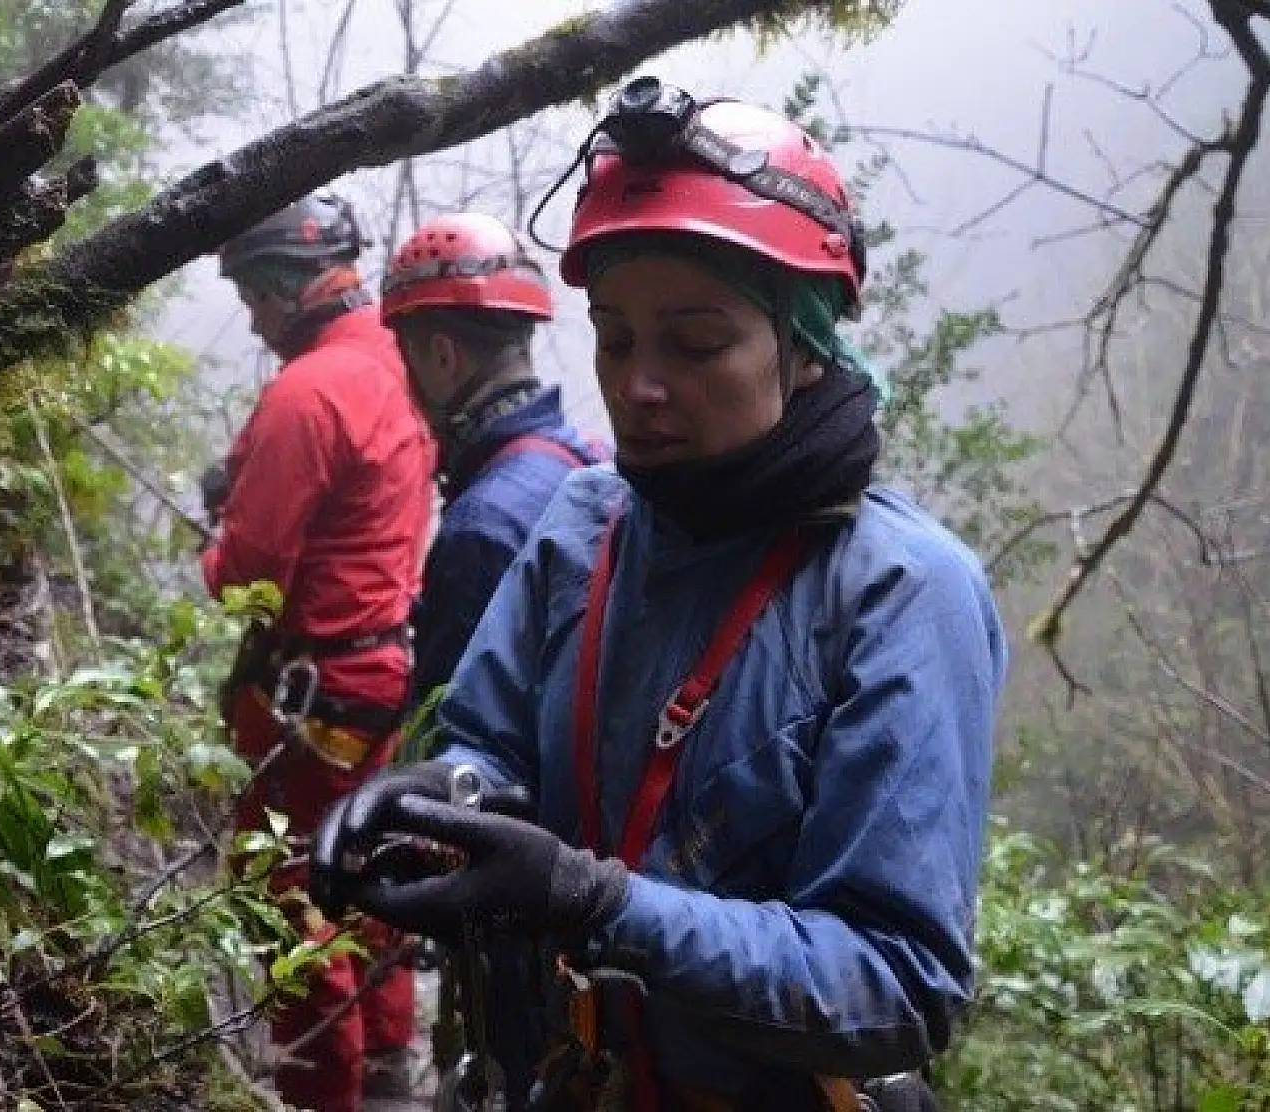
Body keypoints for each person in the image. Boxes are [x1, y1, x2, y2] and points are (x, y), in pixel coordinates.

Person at [310, 78, 1007, 1110]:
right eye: (615, 336)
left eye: (694, 342)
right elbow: (489, 742)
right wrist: (438, 799)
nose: (638, 384)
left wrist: (594, 902)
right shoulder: (586, 525)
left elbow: (893, 982)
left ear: (803, 342)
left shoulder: (898, 592)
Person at [207, 189, 435, 1111]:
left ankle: (323, 1095)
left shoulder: (307, 391)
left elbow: (247, 576)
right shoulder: (395, 357)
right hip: (379, 673)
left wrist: (211, 541)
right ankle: (383, 1069)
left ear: (287, 284)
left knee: (284, 881)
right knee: (364, 865)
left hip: (312, 681)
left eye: (257, 298)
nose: (256, 322)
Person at [380, 211, 606, 713]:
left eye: (407, 359)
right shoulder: (588, 462)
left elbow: (445, 731)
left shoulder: (482, 527)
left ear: (442, 357)